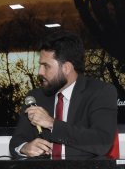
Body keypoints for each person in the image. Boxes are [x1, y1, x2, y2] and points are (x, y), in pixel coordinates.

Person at [9, 30, 117, 158]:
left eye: (46, 66)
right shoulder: (36, 97)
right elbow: (16, 141)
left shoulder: (100, 92)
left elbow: (102, 142)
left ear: (66, 68)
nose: (40, 72)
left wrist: (51, 124)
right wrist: (24, 148)